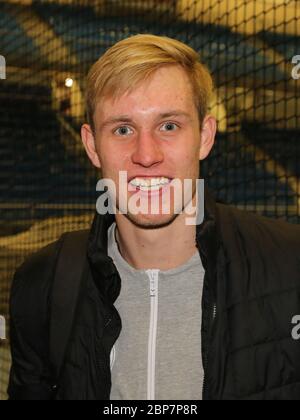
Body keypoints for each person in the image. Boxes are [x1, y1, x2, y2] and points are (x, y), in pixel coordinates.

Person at [8, 34, 300, 400]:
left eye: (169, 126)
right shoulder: (42, 284)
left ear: (205, 136)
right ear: (92, 146)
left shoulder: (291, 267)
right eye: (123, 129)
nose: (146, 155)